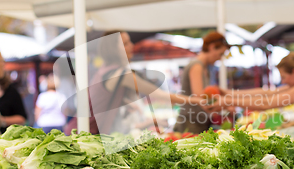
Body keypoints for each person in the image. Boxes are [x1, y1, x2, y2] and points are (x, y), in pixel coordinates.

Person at [64, 31, 208, 135]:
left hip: (81, 131)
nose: (132, 46)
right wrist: (195, 100)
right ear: (113, 49)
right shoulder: (121, 74)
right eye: (125, 43)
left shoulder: (105, 70)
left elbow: (111, 102)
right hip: (85, 134)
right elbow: (159, 94)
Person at [174, 31, 230, 134]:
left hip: (198, 120)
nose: (220, 57)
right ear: (212, 47)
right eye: (221, 53)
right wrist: (226, 105)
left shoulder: (205, 67)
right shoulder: (197, 66)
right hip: (191, 122)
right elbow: (200, 97)